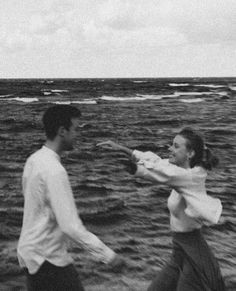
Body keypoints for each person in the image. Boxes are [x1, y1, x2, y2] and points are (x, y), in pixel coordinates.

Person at [97, 127, 225, 291]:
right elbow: (158, 163)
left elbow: (162, 173)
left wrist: (135, 169)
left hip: (194, 252)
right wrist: (123, 149)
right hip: (180, 251)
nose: (170, 149)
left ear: (190, 154)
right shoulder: (181, 172)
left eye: (176, 146)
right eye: (172, 145)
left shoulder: (189, 176)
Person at [17, 105, 125, 291]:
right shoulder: (54, 170)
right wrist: (108, 255)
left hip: (30, 254)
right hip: (48, 260)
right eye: (75, 129)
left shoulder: (34, 160)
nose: (78, 134)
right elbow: (70, 226)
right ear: (62, 131)